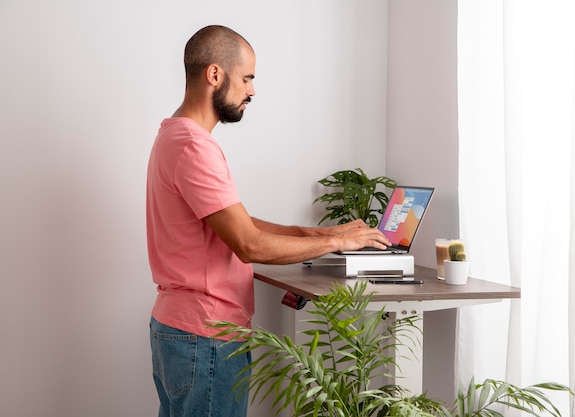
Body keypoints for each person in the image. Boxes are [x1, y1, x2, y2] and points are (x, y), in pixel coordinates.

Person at [146, 25, 391, 417]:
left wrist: (319, 233)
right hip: (205, 335)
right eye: (247, 78)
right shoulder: (194, 146)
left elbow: (238, 221)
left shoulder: (174, 136)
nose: (252, 91)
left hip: (183, 331)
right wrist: (336, 244)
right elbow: (249, 244)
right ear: (214, 75)